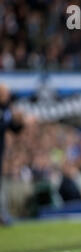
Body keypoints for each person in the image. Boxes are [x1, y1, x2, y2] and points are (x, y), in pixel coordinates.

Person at [0, 84, 24, 226]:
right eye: (4, 93)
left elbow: (14, 129)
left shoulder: (6, 109)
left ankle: (3, 215)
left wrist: (19, 122)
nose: (7, 96)